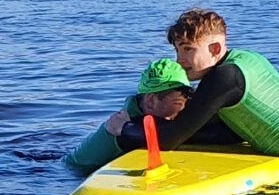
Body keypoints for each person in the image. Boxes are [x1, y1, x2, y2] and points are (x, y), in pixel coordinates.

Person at [73, 8, 279, 183]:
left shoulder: (223, 78)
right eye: (178, 50)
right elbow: (225, 132)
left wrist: (123, 130)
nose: (180, 60)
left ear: (215, 49)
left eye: (188, 50)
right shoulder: (247, 60)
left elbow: (169, 140)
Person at [63, 58, 206, 173]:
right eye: (182, 98)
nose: (186, 105)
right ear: (150, 100)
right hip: (72, 173)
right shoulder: (129, 123)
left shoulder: (139, 113)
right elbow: (172, 134)